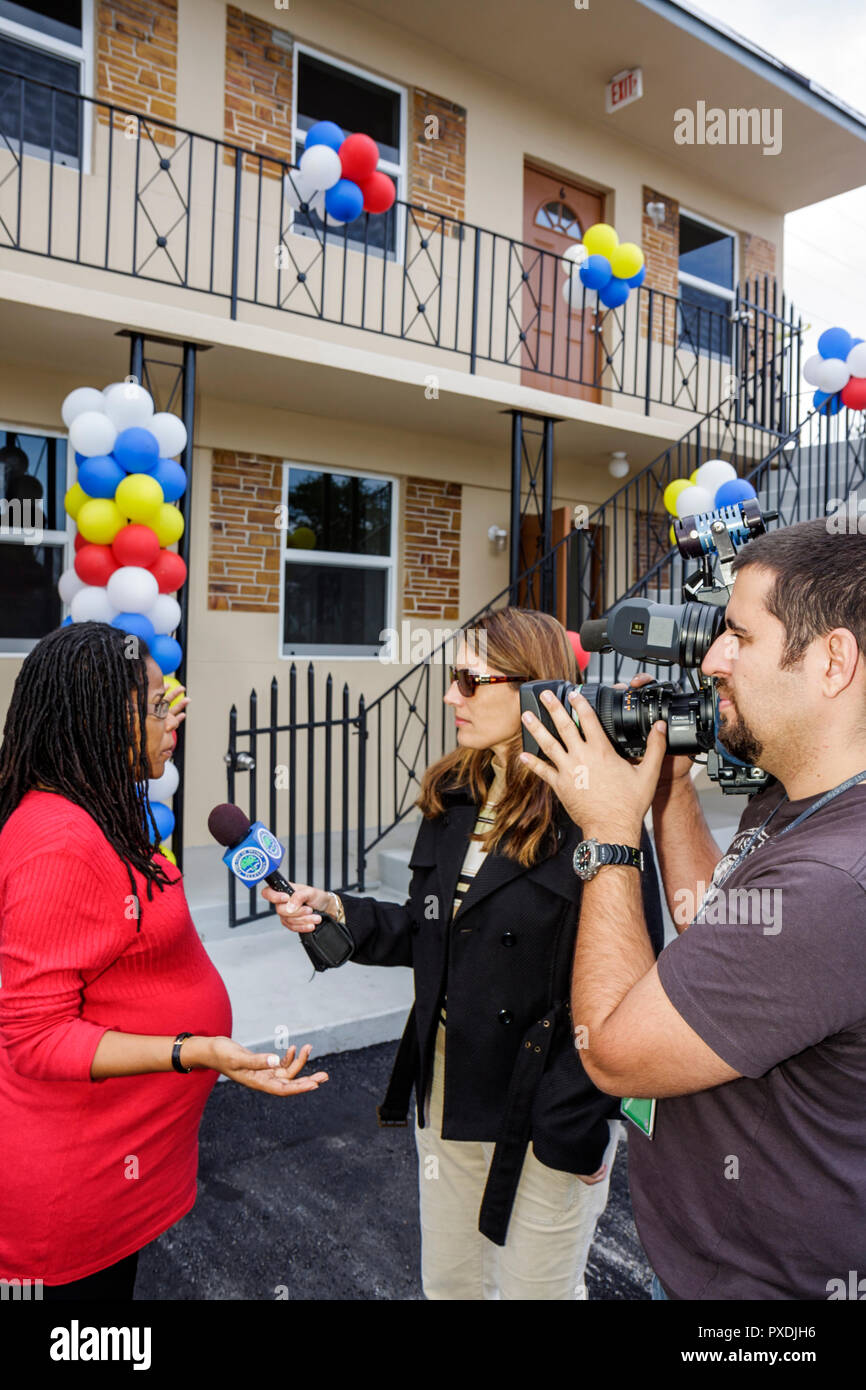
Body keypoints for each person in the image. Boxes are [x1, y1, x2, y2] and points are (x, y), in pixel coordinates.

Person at [263, 607, 665, 1300]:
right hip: (448, 1091)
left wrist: (575, 1124)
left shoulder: (598, 810)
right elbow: (431, 933)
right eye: (453, 678)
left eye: (470, 681)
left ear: (536, 688)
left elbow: (634, 980)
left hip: (546, 1106)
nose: (451, 696)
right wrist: (338, 912)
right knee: (451, 1286)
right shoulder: (455, 795)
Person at [518, 518, 866, 1300]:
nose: (712, 659)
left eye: (738, 634)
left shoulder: (836, 883)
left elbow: (610, 1052)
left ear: (832, 660)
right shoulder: (794, 798)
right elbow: (721, 930)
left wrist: (609, 836)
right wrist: (669, 788)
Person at [0, 622, 327, 1300]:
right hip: (67, 1200)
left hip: (115, 1172)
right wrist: (196, 1049)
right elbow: (34, 1037)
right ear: (97, 717)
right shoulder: (58, 839)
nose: (174, 713)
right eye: (155, 703)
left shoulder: (100, 810)